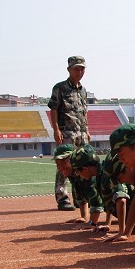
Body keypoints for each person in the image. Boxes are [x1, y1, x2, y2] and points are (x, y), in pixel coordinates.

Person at [48, 56, 90, 211]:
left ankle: (80, 198)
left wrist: (87, 130)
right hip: (66, 133)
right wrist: (56, 129)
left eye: (82, 69)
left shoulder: (83, 90)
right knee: (64, 165)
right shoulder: (60, 88)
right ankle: (62, 198)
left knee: (82, 165)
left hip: (82, 134)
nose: (79, 72)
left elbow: (84, 112)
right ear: (69, 69)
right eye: (76, 68)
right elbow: (53, 109)